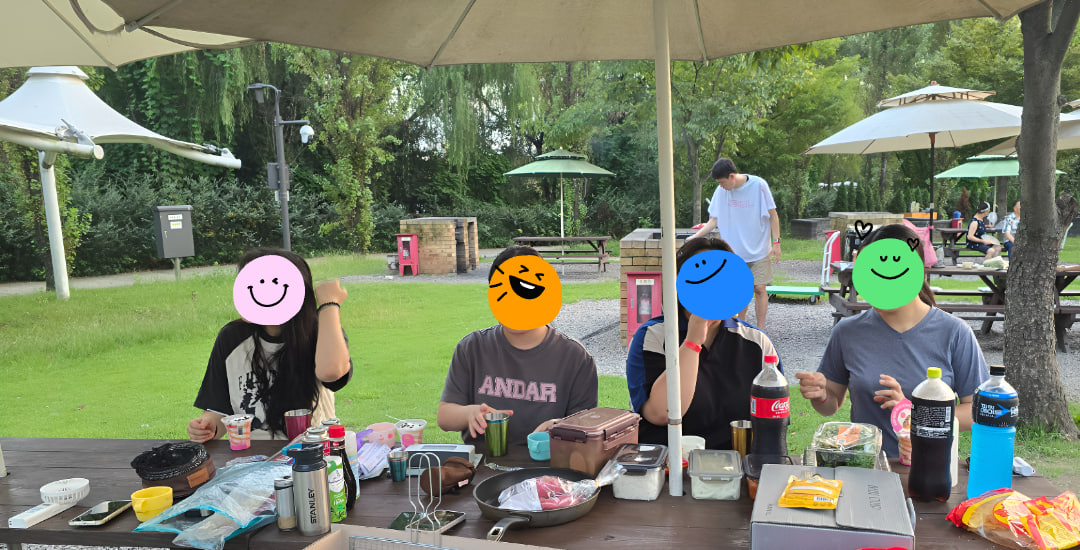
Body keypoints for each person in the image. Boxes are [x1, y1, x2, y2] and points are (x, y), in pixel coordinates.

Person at [796, 224, 989, 456]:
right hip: (866, 465)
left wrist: (912, 413)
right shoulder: (847, 332)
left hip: (932, 465)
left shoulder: (955, 333)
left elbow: (977, 412)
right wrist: (821, 395)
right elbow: (831, 405)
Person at [626, 236, 780, 449]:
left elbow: (773, 425)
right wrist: (692, 342)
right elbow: (661, 413)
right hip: (669, 462)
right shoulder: (652, 336)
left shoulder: (756, 342)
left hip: (736, 462)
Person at [437, 245, 598, 447]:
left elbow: (587, 432)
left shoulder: (576, 359)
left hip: (549, 463)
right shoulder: (472, 348)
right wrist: (469, 413)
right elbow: (444, 416)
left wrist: (559, 427)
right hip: (483, 463)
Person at [187, 248, 352, 442]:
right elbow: (219, 409)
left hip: (312, 452)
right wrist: (208, 426)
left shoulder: (321, 332)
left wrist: (329, 305)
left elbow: (331, 372)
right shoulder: (231, 337)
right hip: (252, 456)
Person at [688, 158, 781, 328]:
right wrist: (694, 237)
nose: (721, 186)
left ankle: (760, 330)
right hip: (734, 251)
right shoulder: (720, 192)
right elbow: (713, 220)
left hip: (759, 249)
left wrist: (776, 242)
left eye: (722, 182)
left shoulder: (759, 185)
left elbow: (773, 215)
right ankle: (740, 327)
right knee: (740, 291)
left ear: (732, 176)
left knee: (760, 288)